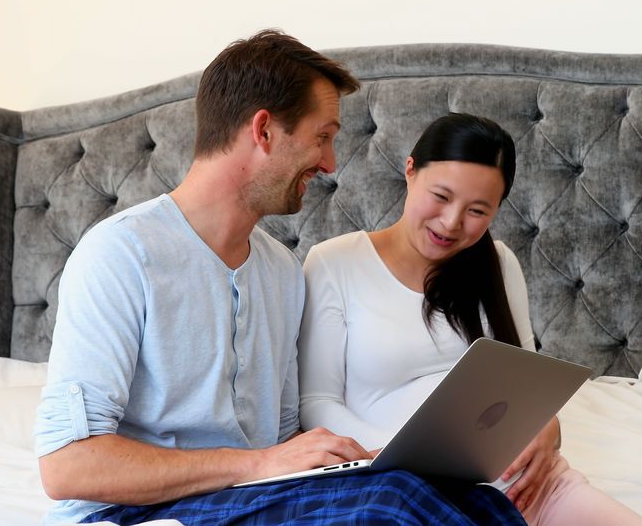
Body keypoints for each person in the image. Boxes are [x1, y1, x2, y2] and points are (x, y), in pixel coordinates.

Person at [33, 31, 526, 526]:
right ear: (264, 131)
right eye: (322, 137)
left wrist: (361, 460)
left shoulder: (280, 270)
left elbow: (287, 439)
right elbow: (67, 466)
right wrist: (259, 463)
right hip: (135, 513)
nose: (331, 162)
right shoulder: (122, 254)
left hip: (252, 496)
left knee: (469, 498)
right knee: (393, 504)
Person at [298, 113, 642, 526]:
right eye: (442, 196)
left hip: (527, 485)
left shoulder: (498, 263)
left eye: (477, 210)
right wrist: (392, 455)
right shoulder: (334, 262)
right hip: (405, 494)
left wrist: (549, 428)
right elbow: (317, 403)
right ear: (410, 171)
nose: (451, 223)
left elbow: (527, 386)